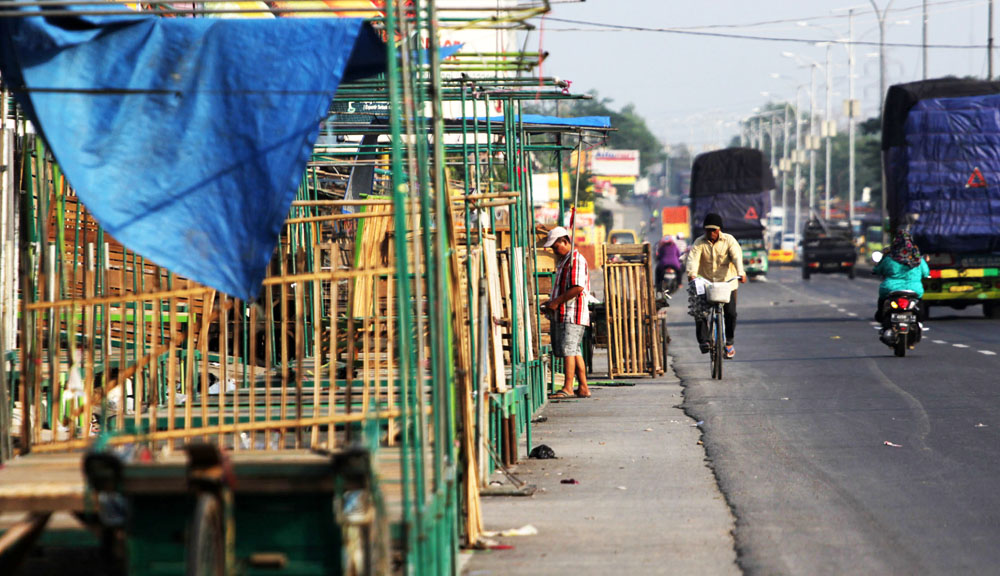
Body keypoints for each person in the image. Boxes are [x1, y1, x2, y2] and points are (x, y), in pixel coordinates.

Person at [685, 213, 747, 359]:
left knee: (731, 313)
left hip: (727, 284)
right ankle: (704, 341)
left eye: (714, 230)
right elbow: (693, 259)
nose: (711, 233)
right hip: (706, 284)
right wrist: (692, 273)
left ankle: (729, 342)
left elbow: (737, 256)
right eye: (708, 230)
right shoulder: (699, 243)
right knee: (699, 312)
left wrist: (741, 272)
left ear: (719, 230)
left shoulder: (729, 240)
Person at [542, 226, 591, 399]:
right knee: (574, 350)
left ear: (565, 241)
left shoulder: (575, 259)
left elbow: (578, 287)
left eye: (556, 247)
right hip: (566, 312)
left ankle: (568, 387)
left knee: (569, 349)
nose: (555, 251)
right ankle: (583, 387)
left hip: (573, 312)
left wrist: (556, 301)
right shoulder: (564, 260)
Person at [873, 230, 930, 323]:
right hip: (914, 289)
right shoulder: (917, 259)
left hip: (891, 289)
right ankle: (920, 322)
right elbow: (926, 272)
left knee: (882, 300)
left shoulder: (889, 258)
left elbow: (878, 270)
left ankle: (880, 315)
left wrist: (875, 271)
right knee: (920, 303)